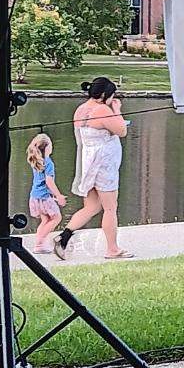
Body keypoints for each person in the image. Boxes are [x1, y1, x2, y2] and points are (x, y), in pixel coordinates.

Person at [53, 77, 133, 260]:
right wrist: (117, 110)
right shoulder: (102, 109)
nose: (113, 99)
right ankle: (112, 249)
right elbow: (122, 130)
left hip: (88, 164)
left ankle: (63, 237)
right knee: (111, 208)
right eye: (112, 96)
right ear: (104, 95)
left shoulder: (80, 110)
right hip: (104, 165)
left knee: (92, 207)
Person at [26, 133, 67, 254]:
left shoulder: (36, 161)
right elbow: (49, 182)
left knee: (45, 220)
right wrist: (58, 196)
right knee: (56, 217)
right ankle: (40, 241)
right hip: (44, 198)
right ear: (47, 147)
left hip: (34, 197)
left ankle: (39, 246)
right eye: (50, 144)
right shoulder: (48, 163)